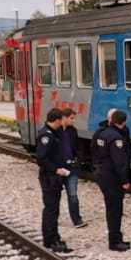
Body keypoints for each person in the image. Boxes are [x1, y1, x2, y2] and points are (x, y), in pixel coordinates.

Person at [92, 108, 131, 251]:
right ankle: (115, 242)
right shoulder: (116, 138)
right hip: (112, 178)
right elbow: (119, 162)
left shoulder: (101, 133)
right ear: (124, 122)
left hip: (103, 174)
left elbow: (94, 152)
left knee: (112, 208)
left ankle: (116, 238)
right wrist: (124, 181)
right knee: (115, 209)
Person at [35, 107, 73, 252]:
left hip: (54, 177)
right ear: (57, 120)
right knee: (51, 209)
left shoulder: (53, 133)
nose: (62, 122)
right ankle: (50, 240)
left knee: (54, 208)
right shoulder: (47, 135)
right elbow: (41, 158)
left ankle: (53, 236)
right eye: (61, 120)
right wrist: (55, 169)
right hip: (49, 177)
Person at [57, 107, 86, 228]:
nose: (73, 121)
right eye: (71, 118)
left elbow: (77, 147)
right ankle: (54, 218)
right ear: (64, 118)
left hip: (71, 167)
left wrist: (78, 160)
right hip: (58, 169)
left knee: (73, 195)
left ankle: (77, 220)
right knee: (55, 196)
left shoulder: (72, 131)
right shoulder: (54, 131)